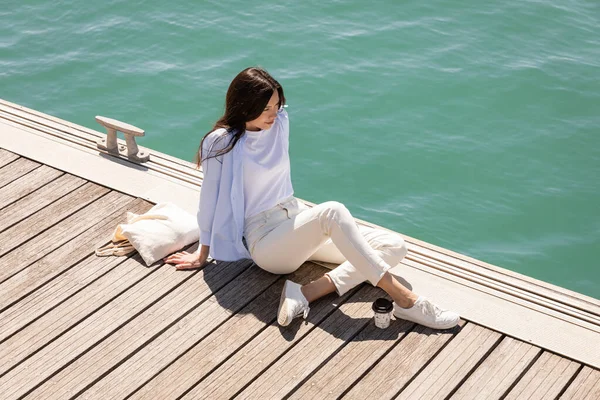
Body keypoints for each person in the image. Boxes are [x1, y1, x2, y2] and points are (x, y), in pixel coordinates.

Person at [165, 67, 459, 329]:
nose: (273, 114)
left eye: (277, 106)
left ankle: (306, 292)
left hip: (294, 219)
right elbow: (210, 200)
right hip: (266, 241)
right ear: (245, 105)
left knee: (393, 246)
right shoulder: (222, 142)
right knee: (331, 211)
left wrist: (276, 113)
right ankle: (406, 300)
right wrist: (202, 254)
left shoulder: (280, 124)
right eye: (266, 107)